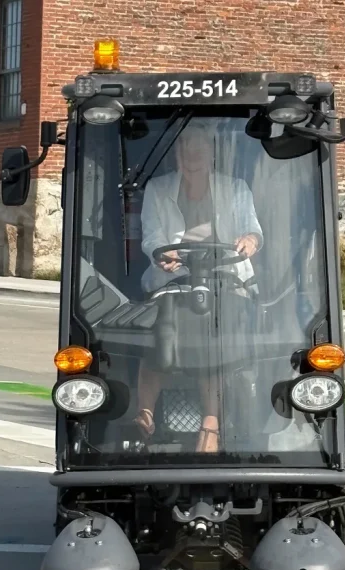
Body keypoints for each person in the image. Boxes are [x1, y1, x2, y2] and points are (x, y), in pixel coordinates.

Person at [133, 122, 264, 453]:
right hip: (172, 279)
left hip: (227, 280)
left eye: (199, 148)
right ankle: (144, 415)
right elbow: (152, 236)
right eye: (186, 148)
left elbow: (253, 231)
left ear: (212, 153)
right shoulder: (159, 189)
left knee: (211, 337)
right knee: (159, 330)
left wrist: (249, 240)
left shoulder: (235, 189)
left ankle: (210, 421)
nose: (193, 154)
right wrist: (162, 254)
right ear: (177, 154)